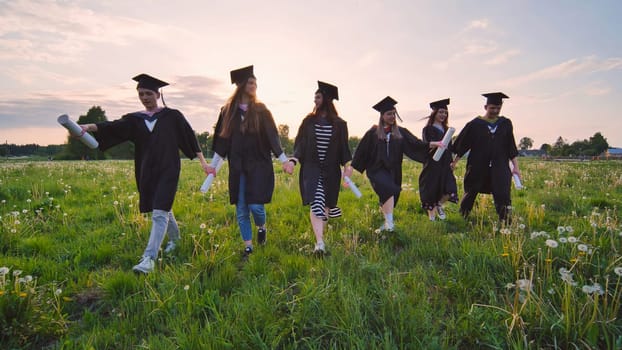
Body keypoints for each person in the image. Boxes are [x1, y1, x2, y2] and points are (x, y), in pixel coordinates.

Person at [80, 73, 210, 274]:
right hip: (146, 170)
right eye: (141, 94)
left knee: (159, 212)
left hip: (169, 169)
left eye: (148, 93)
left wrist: (204, 163)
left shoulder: (172, 116)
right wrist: (87, 127)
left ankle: (149, 258)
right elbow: (112, 127)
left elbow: (189, 138)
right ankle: (175, 241)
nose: (144, 97)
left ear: (157, 94)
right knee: (161, 208)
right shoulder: (135, 120)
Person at [208, 65, 293, 257]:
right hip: (237, 166)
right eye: (250, 82)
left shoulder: (262, 110)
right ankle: (248, 245)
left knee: (256, 206)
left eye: (255, 83)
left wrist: (284, 161)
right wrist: (213, 166)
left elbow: (273, 138)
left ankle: (261, 226)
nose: (254, 85)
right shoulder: (227, 111)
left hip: (259, 165)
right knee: (241, 207)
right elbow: (221, 141)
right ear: (241, 85)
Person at [352, 97, 444, 231]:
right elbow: (361, 151)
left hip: (394, 170)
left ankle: (386, 223)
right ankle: (390, 224)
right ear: (382, 116)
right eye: (389, 114)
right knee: (389, 190)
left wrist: (433, 144)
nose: (392, 116)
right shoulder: (373, 132)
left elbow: (416, 144)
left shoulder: (400, 132)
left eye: (394, 114)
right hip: (376, 169)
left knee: (389, 196)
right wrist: (351, 167)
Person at [291, 81, 352, 254]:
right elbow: (300, 144)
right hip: (312, 167)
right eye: (314, 97)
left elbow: (344, 149)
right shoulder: (308, 121)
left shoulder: (340, 124)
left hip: (331, 169)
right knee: (316, 201)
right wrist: (293, 160)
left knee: (325, 205)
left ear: (326, 99)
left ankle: (321, 239)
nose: (315, 100)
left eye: (318, 97)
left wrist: (348, 167)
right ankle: (319, 243)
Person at [451, 92, 521, 223]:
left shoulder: (505, 123)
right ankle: (462, 217)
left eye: (498, 108)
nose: (495, 111)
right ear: (485, 107)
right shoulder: (474, 124)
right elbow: (462, 145)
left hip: (499, 165)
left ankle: (505, 221)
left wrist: (516, 167)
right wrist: (455, 162)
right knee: (471, 190)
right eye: (492, 108)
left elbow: (511, 146)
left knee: (503, 193)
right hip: (478, 164)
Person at [419, 98, 459, 221]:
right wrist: (437, 144)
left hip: (445, 163)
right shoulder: (428, 129)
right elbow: (426, 144)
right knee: (431, 189)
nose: (443, 115)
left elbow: (450, 147)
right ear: (434, 113)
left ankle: (439, 204)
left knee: (450, 188)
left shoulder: (448, 130)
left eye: (445, 112)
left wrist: (453, 161)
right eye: (440, 112)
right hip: (433, 163)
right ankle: (432, 218)